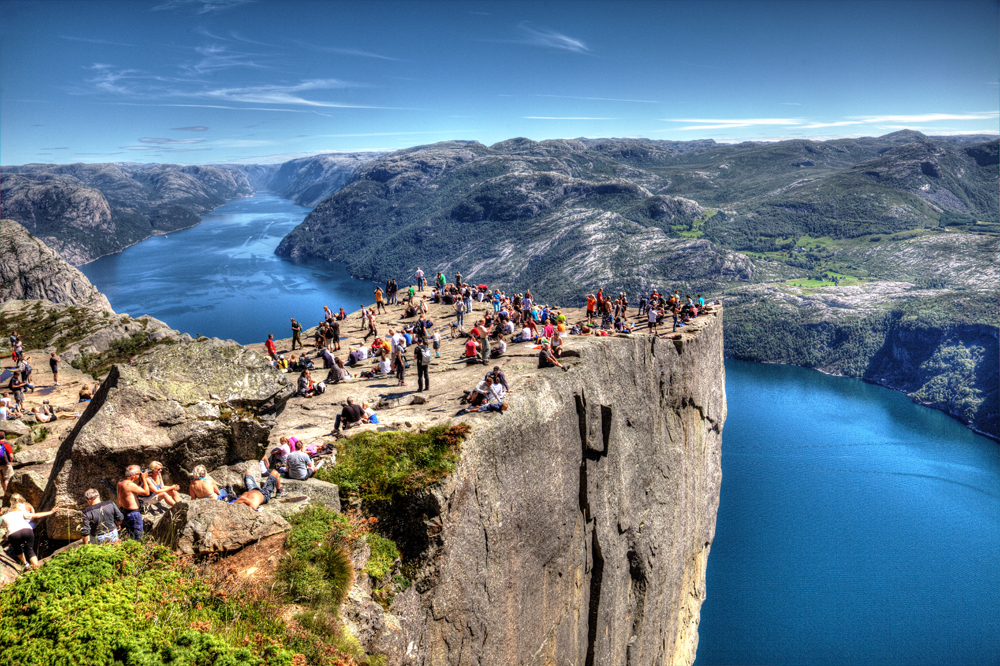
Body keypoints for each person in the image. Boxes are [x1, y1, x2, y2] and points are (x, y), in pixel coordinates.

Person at [1, 494, 60, 569]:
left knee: (18, 550)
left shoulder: (3, 517)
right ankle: (36, 567)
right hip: (27, 530)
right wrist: (51, 512)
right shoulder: (20, 513)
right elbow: (36, 515)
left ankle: (26, 565)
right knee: (30, 549)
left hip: (13, 533)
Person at [118, 465, 167, 539]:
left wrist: (141, 481)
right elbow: (146, 493)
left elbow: (135, 489)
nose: (141, 474)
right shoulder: (130, 484)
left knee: (130, 535)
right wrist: (144, 478)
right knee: (138, 536)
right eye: (139, 473)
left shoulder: (121, 482)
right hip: (133, 514)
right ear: (134, 476)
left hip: (125, 512)